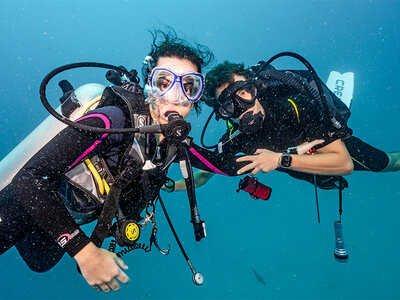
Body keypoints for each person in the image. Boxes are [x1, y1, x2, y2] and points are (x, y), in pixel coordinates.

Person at [0, 29, 239, 293]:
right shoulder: (113, 121)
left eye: (189, 86)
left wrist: (280, 157)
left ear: (196, 99)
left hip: (58, 225)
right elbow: (29, 178)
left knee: (40, 262)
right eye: (164, 82)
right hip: (19, 206)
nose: (175, 96)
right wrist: (84, 252)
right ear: (149, 88)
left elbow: (224, 165)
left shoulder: (174, 144)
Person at [172, 60, 400, 191]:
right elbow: (202, 177)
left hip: (328, 150)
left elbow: (344, 163)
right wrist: (169, 185)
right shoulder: (237, 137)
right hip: (312, 173)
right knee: (327, 182)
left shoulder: (293, 106)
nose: (243, 107)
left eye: (244, 92)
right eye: (231, 105)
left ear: (256, 88)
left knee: (388, 163)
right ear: (223, 113)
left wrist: (280, 159)